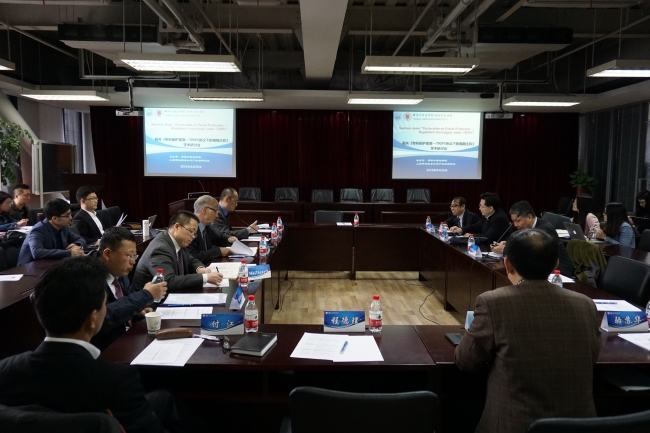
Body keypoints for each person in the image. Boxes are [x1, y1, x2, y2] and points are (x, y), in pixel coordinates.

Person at [0, 256, 184, 433]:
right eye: (105, 304)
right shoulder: (117, 380)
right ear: (93, 318)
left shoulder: (5, 370)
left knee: (163, 399)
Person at [455, 229, 600, 433]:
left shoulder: (493, 302)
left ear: (508, 264)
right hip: (580, 426)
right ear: (556, 264)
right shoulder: (585, 304)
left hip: (514, 425)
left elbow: (466, 361)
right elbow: (592, 357)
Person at [93, 227, 168, 351]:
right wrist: (146, 295)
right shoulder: (88, 277)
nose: (133, 262)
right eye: (128, 256)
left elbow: (121, 302)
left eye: (134, 256)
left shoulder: (118, 272)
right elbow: (103, 317)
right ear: (107, 254)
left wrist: (136, 311)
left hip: (124, 341)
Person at [132, 211, 224, 292]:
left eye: (194, 233)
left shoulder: (177, 241)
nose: (193, 236)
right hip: (149, 303)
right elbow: (168, 281)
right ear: (177, 226)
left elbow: (191, 259)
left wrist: (199, 268)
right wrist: (204, 278)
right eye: (191, 231)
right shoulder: (160, 249)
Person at [491, 201, 574, 277]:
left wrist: (505, 250)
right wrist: (507, 244)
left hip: (559, 272)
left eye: (518, 221)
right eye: (513, 221)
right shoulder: (525, 228)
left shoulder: (544, 229)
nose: (515, 225)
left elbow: (531, 253)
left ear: (529, 217)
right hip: (539, 269)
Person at [17, 198, 86, 266]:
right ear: (54, 218)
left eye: (70, 214)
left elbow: (80, 239)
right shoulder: (38, 230)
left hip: (51, 265)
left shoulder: (63, 228)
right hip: (29, 268)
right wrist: (69, 253)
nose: (71, 218)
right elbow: (37, 252)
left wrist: (76, 245)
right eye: (67, 215)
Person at [187, 195, 235, 266]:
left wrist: (229, 239)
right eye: (215, 211)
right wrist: (218, 252)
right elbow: (192, 257)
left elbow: (217, 239)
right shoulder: (189, 229)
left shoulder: (206, 227)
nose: (217, 216)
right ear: (204, 210)